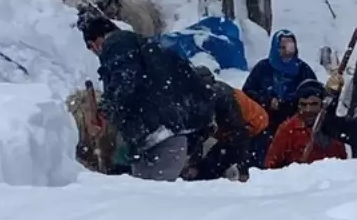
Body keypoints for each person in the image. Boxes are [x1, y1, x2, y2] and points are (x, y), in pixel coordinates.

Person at [81, 12, 240, 181]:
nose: (95, 52)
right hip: (161, 134)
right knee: (146, 191)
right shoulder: (144, 49)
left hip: (161, 135)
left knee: (154, 193)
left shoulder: (118, 43)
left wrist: (106, 109)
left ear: (98, 39)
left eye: (91, 46)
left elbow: (125, 80)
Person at [242, 30, 317, 136]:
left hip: (296, 127)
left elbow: (314, 94)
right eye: (282, 47)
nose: (287, 52)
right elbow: (247, 93)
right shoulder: (262, 68)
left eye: (290, 47)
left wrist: (289, 103)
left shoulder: (303, 70)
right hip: (264, 124)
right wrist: (267, 101)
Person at [264, 81, 349, 168]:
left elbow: (344, 162)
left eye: (314, 104)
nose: (308, 109)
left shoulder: (334, 126)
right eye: (303, 105)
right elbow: (271, 165)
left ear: (322, 104)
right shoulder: (287, 129)